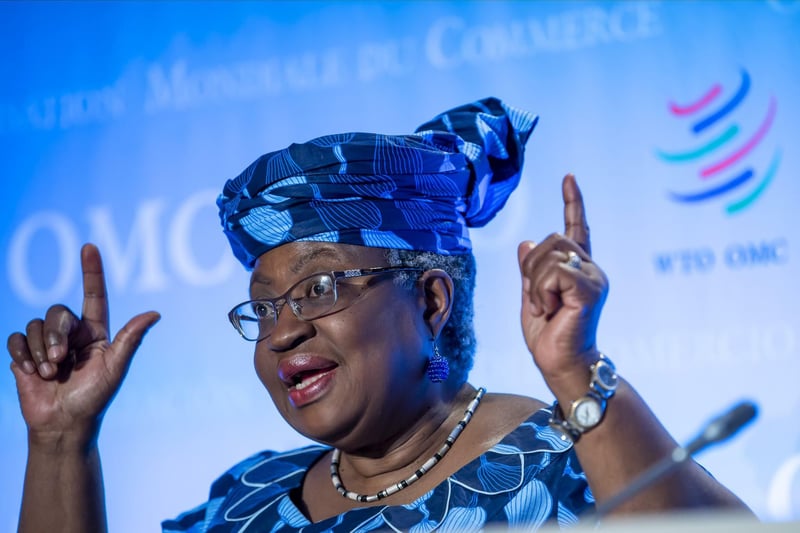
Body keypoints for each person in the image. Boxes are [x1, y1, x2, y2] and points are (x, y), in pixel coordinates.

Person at [8, 97, 751, 532]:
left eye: (318, 288)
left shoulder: (563, 465)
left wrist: (575, 368)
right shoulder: (246, 503)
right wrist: (61, 442)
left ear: (430, 300)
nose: (282, 331)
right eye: (263, 307)